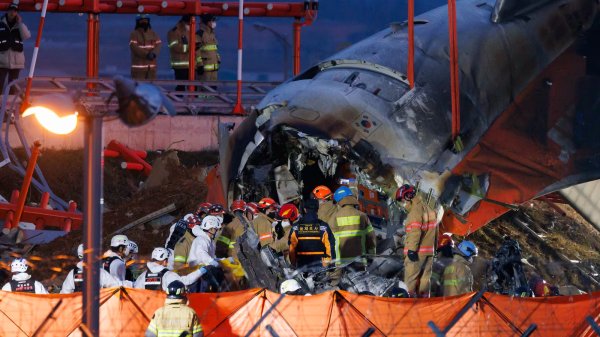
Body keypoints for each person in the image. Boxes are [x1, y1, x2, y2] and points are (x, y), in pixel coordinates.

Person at [397, 184, 440, 297]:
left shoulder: (415, 211)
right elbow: (436, 231)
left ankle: (408, 302)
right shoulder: (429, 209)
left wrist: (411, 250)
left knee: (410, 281)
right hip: (429, 252)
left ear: (408, 197)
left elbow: (415, 232)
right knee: (425, 281)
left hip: (417, 253)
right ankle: (424, 303)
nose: (402, 203)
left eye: (402, 200)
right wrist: (434, 250)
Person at [329, 186, 376, 268]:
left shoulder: (334, 217)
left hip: (341, 263)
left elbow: (329, 241)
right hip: (360, 261)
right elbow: (371, 239)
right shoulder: (362, 216)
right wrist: (372, 256)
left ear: (339, 201)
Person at [288, 199, 335, 272]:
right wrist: (331, 265)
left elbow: (292, 247)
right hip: (319, 266)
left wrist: (293, 264)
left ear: (305, 209)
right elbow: (330, 246)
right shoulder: (323, 227)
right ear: (317, 209)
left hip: (302, 266)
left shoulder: (295, 227)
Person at [135, 247, 208, 291]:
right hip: (163, 310)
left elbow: (136, 289)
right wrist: (200, 271)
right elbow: (185, 281)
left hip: (147, 311)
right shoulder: (168, 275)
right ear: (165, 261)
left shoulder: (143, 276)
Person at [0, 3, 30, 95]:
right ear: (7, 11)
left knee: (12, 86)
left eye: (15, 11)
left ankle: (10, 107)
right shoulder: (0, 24)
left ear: (17, 13)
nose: (12, 13)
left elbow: (26, 36)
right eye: (11, 10)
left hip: (16, 62)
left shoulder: (20, 25)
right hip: (2, 61)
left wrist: (20, 23)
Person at [129, 14, 161, 80]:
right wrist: (147, 54)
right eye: (142, 20)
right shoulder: (134, 34)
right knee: (138, 88)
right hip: (138, 70)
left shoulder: (154, 34)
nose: (144, 22)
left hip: (151, 69)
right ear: (138, 22)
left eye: (146, 20)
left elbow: (158, 44)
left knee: (151, 88)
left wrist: (154, 54)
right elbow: (134, 47)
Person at [168, 15, 191, 91]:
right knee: (181, 87)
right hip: (180, 65)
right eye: (188, 23)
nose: (189, 25)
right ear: (184, 22)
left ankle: (192, 102)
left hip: (191, 65)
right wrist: (189, 48)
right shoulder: (174, 32)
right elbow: (174, 47)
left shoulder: (190, 31)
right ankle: (178, 102)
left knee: (192, 88)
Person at [195, 14, 220, 81]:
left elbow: (215, 49)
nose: (214, 23)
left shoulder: (212, 34)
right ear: (208, 22)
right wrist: (200, 65)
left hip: (214, 68)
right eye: (213, 21)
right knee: (204, 89)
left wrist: (218, 59)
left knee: (213, 89)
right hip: (205, 69)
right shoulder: (200, 34)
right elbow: (196, 51)